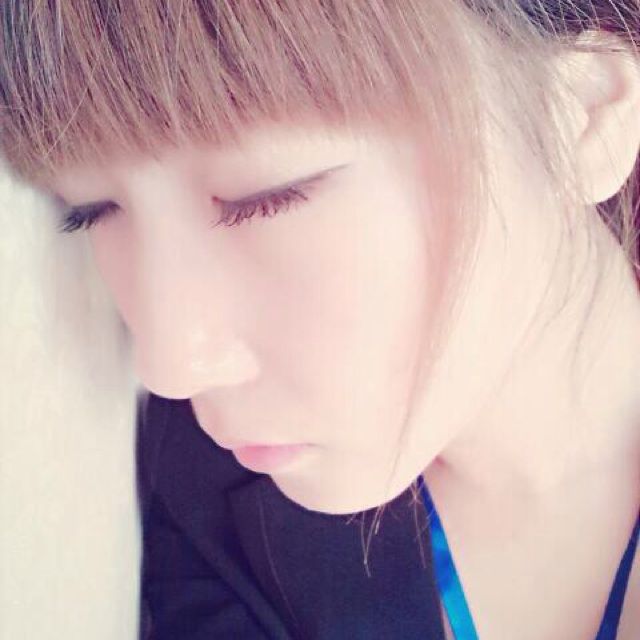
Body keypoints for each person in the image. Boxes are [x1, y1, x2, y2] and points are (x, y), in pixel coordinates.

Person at [1, 1, 639, 638]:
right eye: (93, 212)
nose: (169, 367)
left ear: (582, 116)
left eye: (263, 198)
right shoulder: (203, 500)